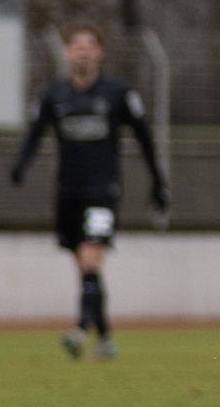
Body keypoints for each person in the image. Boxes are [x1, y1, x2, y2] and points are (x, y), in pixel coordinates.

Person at [9, 26, 168, 361]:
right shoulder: (54, 95)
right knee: (85, 267)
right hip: (67, 191)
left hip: (102, 190)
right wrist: (20, 164)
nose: (83, 52)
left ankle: (80, 330)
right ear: (66, 53)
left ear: (100, 52)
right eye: (76, 46)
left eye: (89, 46)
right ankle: (106, 338)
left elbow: (144, 137)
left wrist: (158, 181)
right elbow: (34, 134)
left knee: (91, 258)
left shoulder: (117, 92)